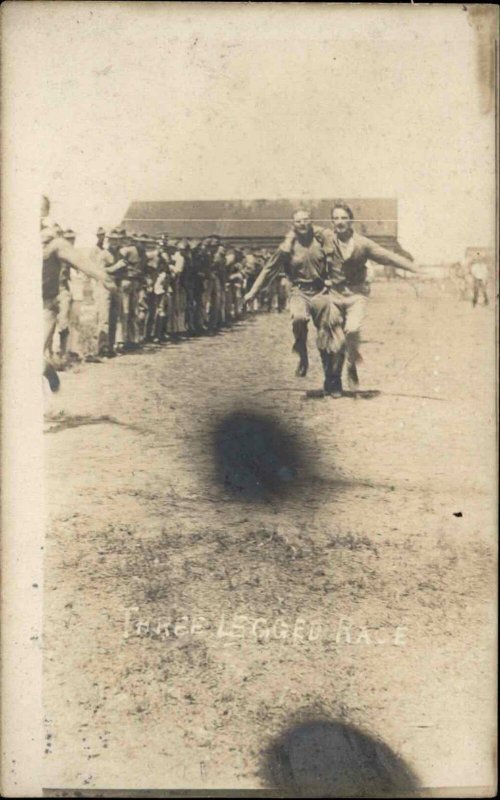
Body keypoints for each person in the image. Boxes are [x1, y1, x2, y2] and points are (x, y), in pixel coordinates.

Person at [243, 209, 345, 396]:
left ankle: (333, 380)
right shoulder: (288, 247)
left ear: (311, 222)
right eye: (299, 222)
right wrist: (252, 292)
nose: (303, 224)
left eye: (306, 220)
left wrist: (335, 281)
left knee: (327, 337)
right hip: (299, 291)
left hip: (321, 291)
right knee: (298, 318)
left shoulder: (322, 240)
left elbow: (341, 262)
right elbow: (268, 269)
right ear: (294, 225)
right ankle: (302, 352)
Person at [327, 203, 418, 392]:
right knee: (335, 341)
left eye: (344, 218)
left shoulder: (363, 243)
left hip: (356, 294)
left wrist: (414, 268)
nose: (340, 222)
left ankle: (351, 365)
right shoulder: (326, 241)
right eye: (336, 218)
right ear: (332, 221)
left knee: (352, 330)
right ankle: (334, 380)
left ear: (351, 220)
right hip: (333, 295)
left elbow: (387, 257)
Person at [41, 207, 116, 391]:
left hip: (45, 305)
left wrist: (103, 277)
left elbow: (81, 261)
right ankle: (44, 367)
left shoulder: (55, 243)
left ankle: (43, 369)